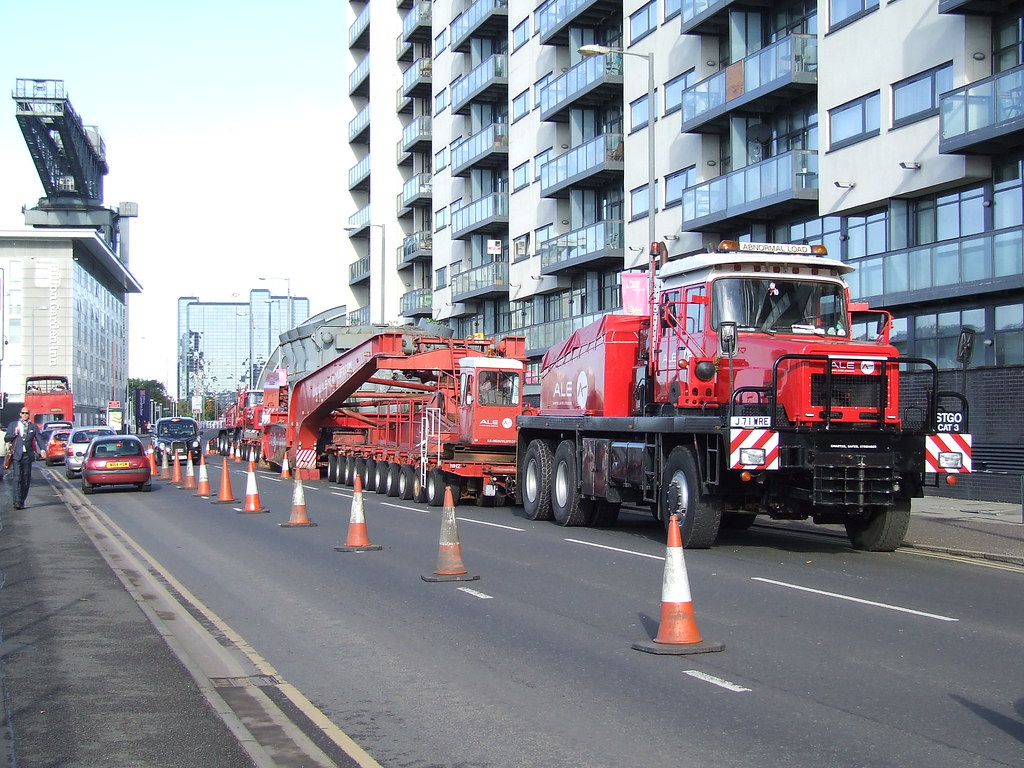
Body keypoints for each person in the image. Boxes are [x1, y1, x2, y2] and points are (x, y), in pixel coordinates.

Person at [5, 408, 41, 509]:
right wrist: (15, 433)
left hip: (27, 456)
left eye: (27, 413)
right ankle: (16, 501)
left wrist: (42, 450)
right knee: (17, 478)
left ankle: (22, 501)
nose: (25, 415)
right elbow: (6, 438)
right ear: (20, 414)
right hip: (17, 455)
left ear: (29, 414)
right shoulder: (13, 425)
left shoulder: (33, 426)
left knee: (26, 479)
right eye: (23, 413)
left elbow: (39, 438)